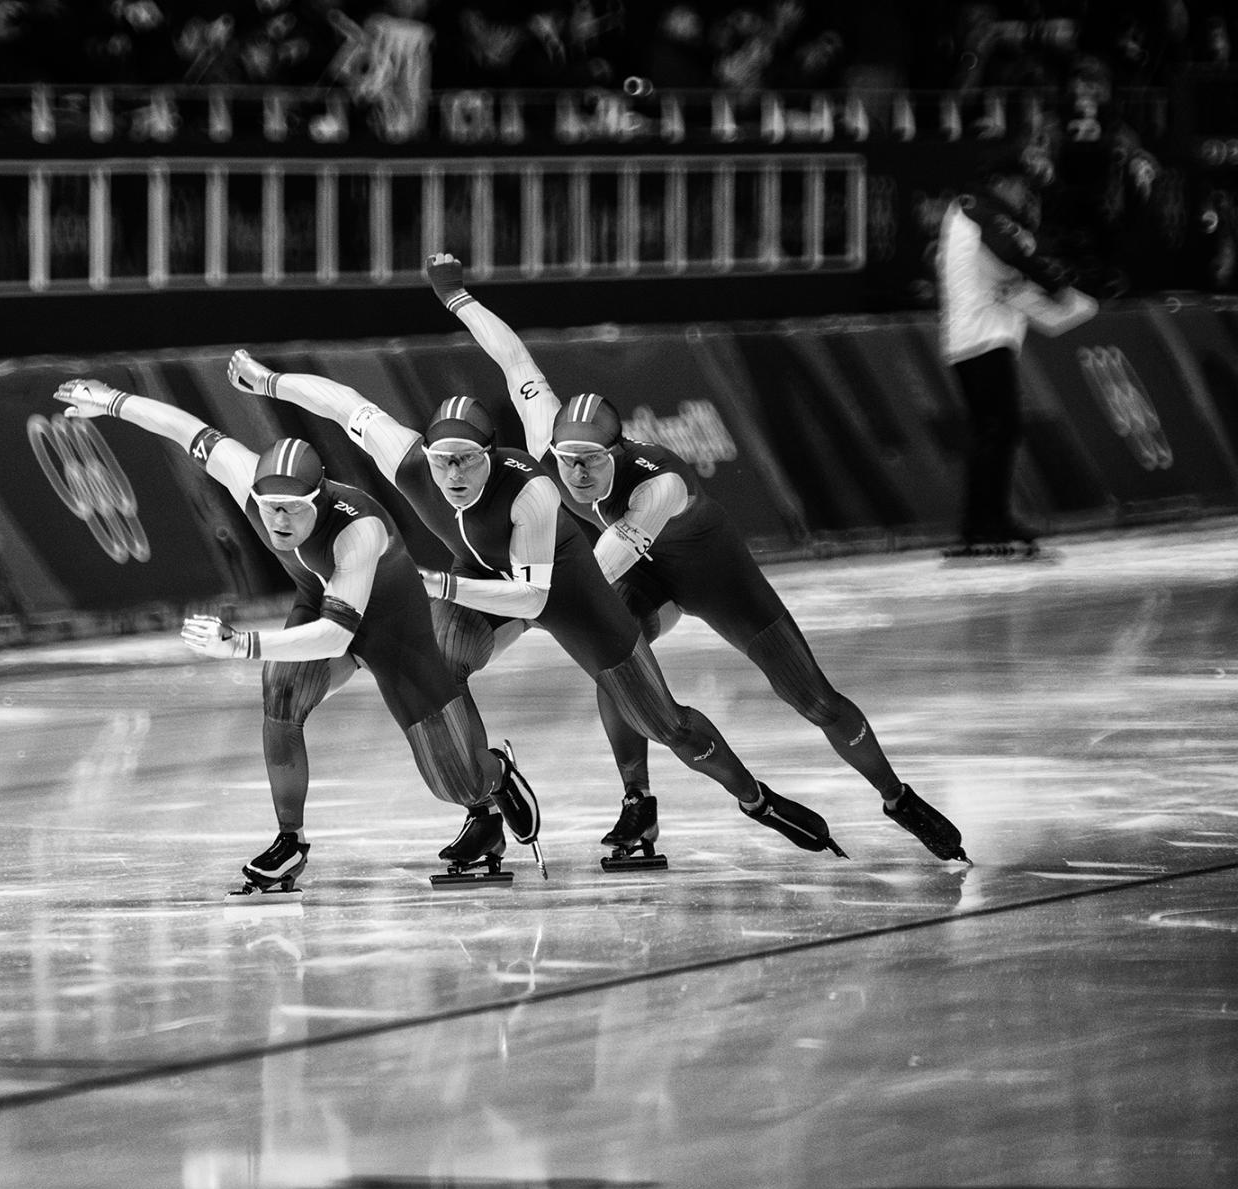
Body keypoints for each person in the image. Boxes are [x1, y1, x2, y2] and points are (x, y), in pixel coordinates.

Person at [422, 250, 971, 865]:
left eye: (590, 461)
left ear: (618, 449)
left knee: (813, 699)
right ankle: (639, 804)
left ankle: (897, 797)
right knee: (613, 652)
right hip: (640, 571)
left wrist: (520, 607)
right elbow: (511, 356)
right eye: (565, 458)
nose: (574, 473)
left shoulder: (659, 486)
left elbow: (596, 571)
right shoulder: (546, 433)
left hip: (713, 576)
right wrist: (456, 297)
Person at [225, 350, 847, 863]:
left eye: (469, 461)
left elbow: (531, 597)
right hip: (481, 583)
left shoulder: (533, 494)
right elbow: (343, 405)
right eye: (445, 463)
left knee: (666, 725)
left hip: (572, 594)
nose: (455, 474)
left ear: (492, 457)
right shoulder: (412, 462)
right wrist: (269, 381)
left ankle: (754, 798)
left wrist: (440, 587)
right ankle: (487, 802)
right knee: (438, 679)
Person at [49, 378, 541, 897]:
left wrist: (241, 645)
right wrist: (111, 402)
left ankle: (495, 775)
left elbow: (333, 637)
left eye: (293, 509)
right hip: (322, 598)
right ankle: (290, 841)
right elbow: (185, 428)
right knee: (282, 690)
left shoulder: (358, 530)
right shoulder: (250, 482)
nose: (278, 521)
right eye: (268, 508)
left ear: (320, 498)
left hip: (392, 629)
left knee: (455, 783)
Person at [936, 153, 1098, 558]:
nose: (1022, 195)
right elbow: (1014, 249)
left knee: (998, 430)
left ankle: (988, 520)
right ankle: (983, 524)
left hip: (984, 336)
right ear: (1000, 181)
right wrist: (1056, 284)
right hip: (980, 337)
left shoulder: (977, 216)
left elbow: (1008, 267)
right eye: (1018, 186)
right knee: (996, 430)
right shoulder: (976, 207)